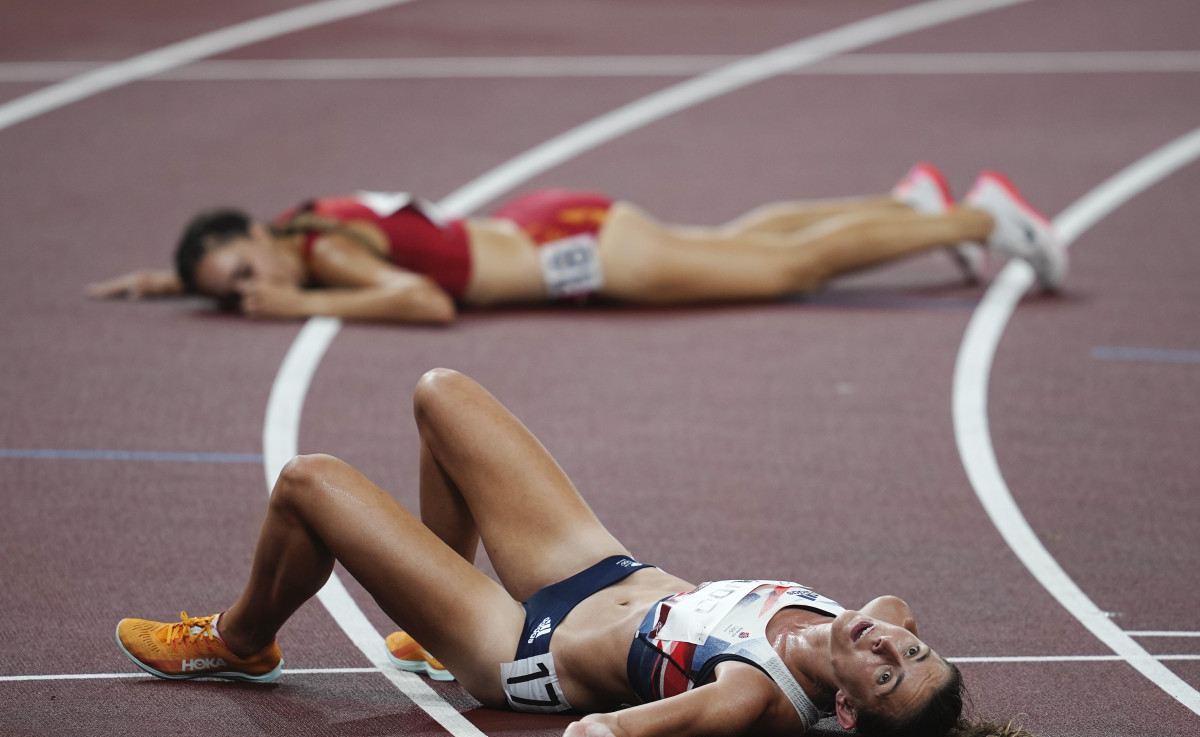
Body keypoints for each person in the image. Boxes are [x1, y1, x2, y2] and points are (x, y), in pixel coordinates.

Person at [115, 368, 1037, 737]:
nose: (892, 645)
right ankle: (426, 622)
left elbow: (641, 725)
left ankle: (239, 641)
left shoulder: (751, 697)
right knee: (440, 395)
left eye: (886, 674)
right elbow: (887, 617)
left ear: (842, 712)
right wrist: (902, 665)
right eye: (913, 651)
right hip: (600, 566)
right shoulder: (868, 626)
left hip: (527, 647)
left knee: (308, 482)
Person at [89, 165, 1066, 324]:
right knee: (738, 239)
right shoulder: (312, 216)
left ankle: (981, 217)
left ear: (263, 238)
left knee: (786, 272)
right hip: (552, 222)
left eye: (243, 271)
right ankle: (902, 201)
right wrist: (163, 280)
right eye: (231, 292)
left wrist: (301, 304)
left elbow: (422, 303)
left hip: (590, 261)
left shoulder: (325, 261)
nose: (251, 291)